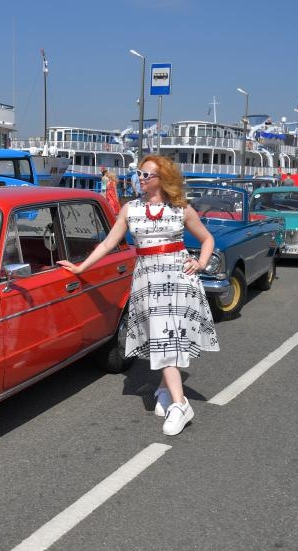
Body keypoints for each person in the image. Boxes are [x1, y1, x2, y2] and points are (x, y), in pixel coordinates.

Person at [57, 155, 218, 436]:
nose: (140, 179)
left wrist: (201, 263)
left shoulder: (181, 209)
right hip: (147, 281)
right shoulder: (130, 209)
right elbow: (109, 242)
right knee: (161, 337)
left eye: (146, 175)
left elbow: (207, 239)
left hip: (179, 280)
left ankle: (179, 404)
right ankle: (167, 392)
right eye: (139, 174)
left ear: (162, 179)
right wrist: (82, 266)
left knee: (170, 339)